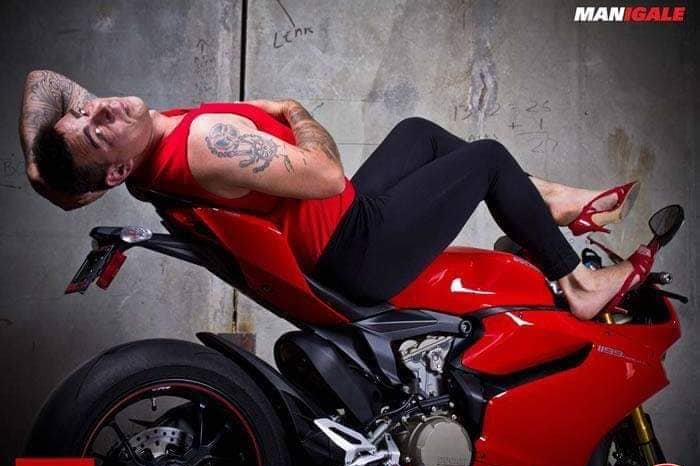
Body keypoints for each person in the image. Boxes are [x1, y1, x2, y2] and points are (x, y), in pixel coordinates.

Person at [19, 70, 653, 320]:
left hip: (342, 222)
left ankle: (545, 202)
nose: (98, 108)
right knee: (485, 157)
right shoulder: (206, 143)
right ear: (114, 172)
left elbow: (42, 81)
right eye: (94, 129)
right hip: (354, 248)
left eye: (85, 110)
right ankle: (578, 284)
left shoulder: (139, 147)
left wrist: (39, 167)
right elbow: (325, 177)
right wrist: (295, 113)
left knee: (420, 134)